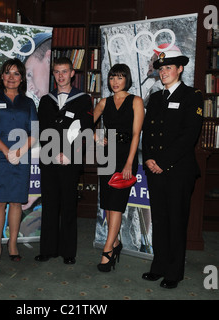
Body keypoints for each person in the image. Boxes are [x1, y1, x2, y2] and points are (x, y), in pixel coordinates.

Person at [142, 49, 203, 288]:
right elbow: (148, 133)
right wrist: (148, 159)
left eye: (169, 68)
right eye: (161, 68)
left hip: (178, 170)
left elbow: (189, 135)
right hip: (154, 169)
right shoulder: (156, 98)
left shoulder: (192, 96)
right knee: (160, 219)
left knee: (176, 221)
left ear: (180, 69)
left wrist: (163, 162)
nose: (164, 71)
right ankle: (159, 266)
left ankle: (174, 272)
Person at [35, 57, 93, 264]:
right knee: (49, 205)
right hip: (49, 160)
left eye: (64, 71)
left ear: (72, 73)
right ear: (54, 74)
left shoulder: (83, 99)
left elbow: (86, 129)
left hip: (71, 160)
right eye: (57, 72)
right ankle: (47, 249)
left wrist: (69, 153)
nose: (60, 76)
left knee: (68, 206)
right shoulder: (45, 100)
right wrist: (53, 153)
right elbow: (42, 132)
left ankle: (68, 252)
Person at [0, 58, 38, 267]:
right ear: (2, 77)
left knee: (16, 202)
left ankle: (12, 244)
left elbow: (35, 131)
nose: (12, 77)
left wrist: (20, 151)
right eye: (7, 73)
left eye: (16, 73)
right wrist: (7, 151)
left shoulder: (28, 102)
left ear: (22, 78)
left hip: (21, 158)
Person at [94, 64, 144, 272]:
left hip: (125, 154)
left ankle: (108, 248)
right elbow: (85, 123)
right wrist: (95, 135)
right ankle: (115, 243)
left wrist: (130, 162)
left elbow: (136, 134)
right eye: (112, 77)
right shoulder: (104, 102)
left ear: (127, 79)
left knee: (116, 203)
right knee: (107, 203)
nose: (115, 81)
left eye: (120, 77)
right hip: (107, 155)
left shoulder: (136, 101)